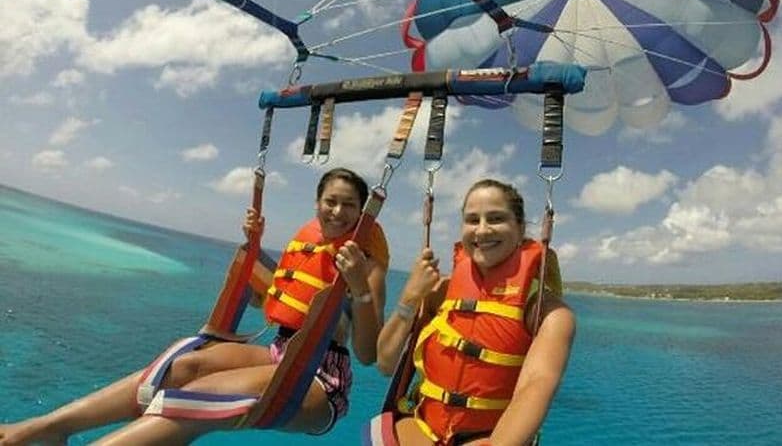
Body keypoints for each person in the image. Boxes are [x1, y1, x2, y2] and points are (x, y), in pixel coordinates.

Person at [0, 167, 389, 445]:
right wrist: (253, 245)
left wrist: (359, 286)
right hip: (279, 352)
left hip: (320, 378)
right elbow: (274, 302)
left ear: (361, 214)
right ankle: (52, 427)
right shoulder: (309, 245)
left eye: (349, 205)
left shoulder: (365, 263)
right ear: (317, 203)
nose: (338, 212)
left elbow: (368, 354)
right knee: (182, 366)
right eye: (330, 202)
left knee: (199, 398)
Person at [376, 179, 574, 446]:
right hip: (422, 426)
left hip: (489, 437)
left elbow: (534, 386)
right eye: (472, 220)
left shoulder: (549, 314)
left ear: (520, 229)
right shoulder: (439, 291)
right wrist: (410, 296)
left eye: (496, 218)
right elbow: (386, 363)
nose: (482, 230)